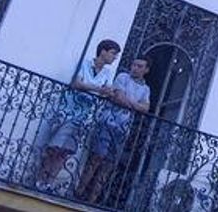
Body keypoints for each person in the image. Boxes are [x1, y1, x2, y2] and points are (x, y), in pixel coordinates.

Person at [37, 39, 119, 191]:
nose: (115, 58)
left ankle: (49, 183)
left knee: (65, 152)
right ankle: (41, 179)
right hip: (68, 112)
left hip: (84, 118)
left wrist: (104, 91)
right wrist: (97, 89)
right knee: (55, 147)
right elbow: (77, 83)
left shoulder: (107, 73)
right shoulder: (85, 64)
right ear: (103, 51)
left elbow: (107, 90)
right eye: (113, 53)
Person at [77, 56, 150, 202]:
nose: (135, 68)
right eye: (134, 64)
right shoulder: (122, 77)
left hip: (123, 129)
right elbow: (118, 98)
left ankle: (92, 199)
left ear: (146, 70)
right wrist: (136, 105)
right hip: (108, 122)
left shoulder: (146, 89)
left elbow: (146, 108)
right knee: (97, 157)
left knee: (109, 164)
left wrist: (130, 103)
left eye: (140, 66)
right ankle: (79, 193)